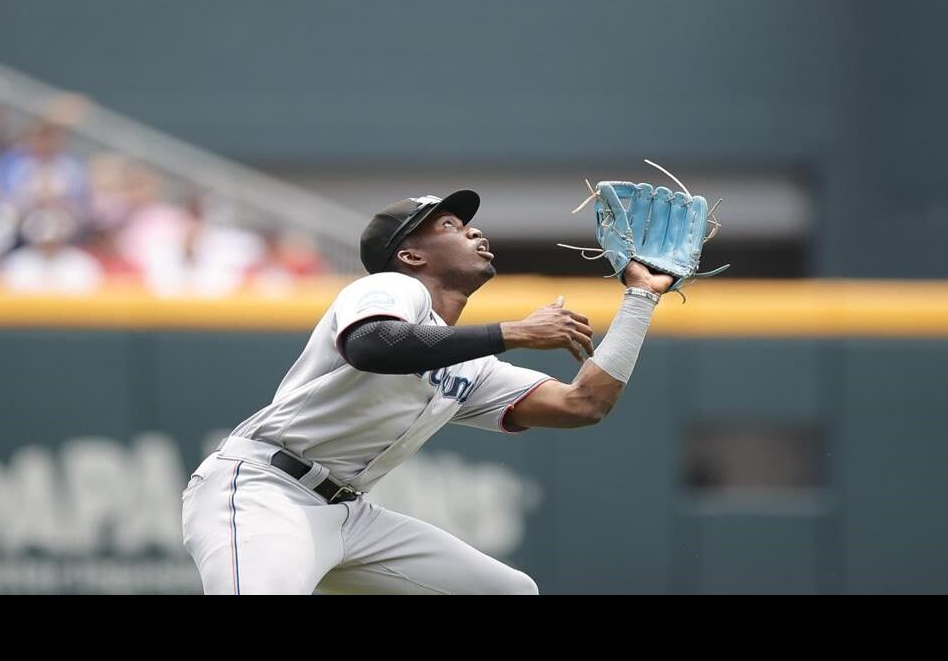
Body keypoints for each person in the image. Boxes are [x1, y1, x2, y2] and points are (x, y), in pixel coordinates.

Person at [180, 190, 673, 594]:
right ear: (410, 255)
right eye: (450, 227)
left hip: (348, 514)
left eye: (466, 224)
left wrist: (641, 299)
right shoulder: (395, 288)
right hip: (264, 491)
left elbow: (582, 404)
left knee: (509, 592)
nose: (474, 231)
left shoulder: (471, 365)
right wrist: (515, 332)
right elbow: (373, 344)